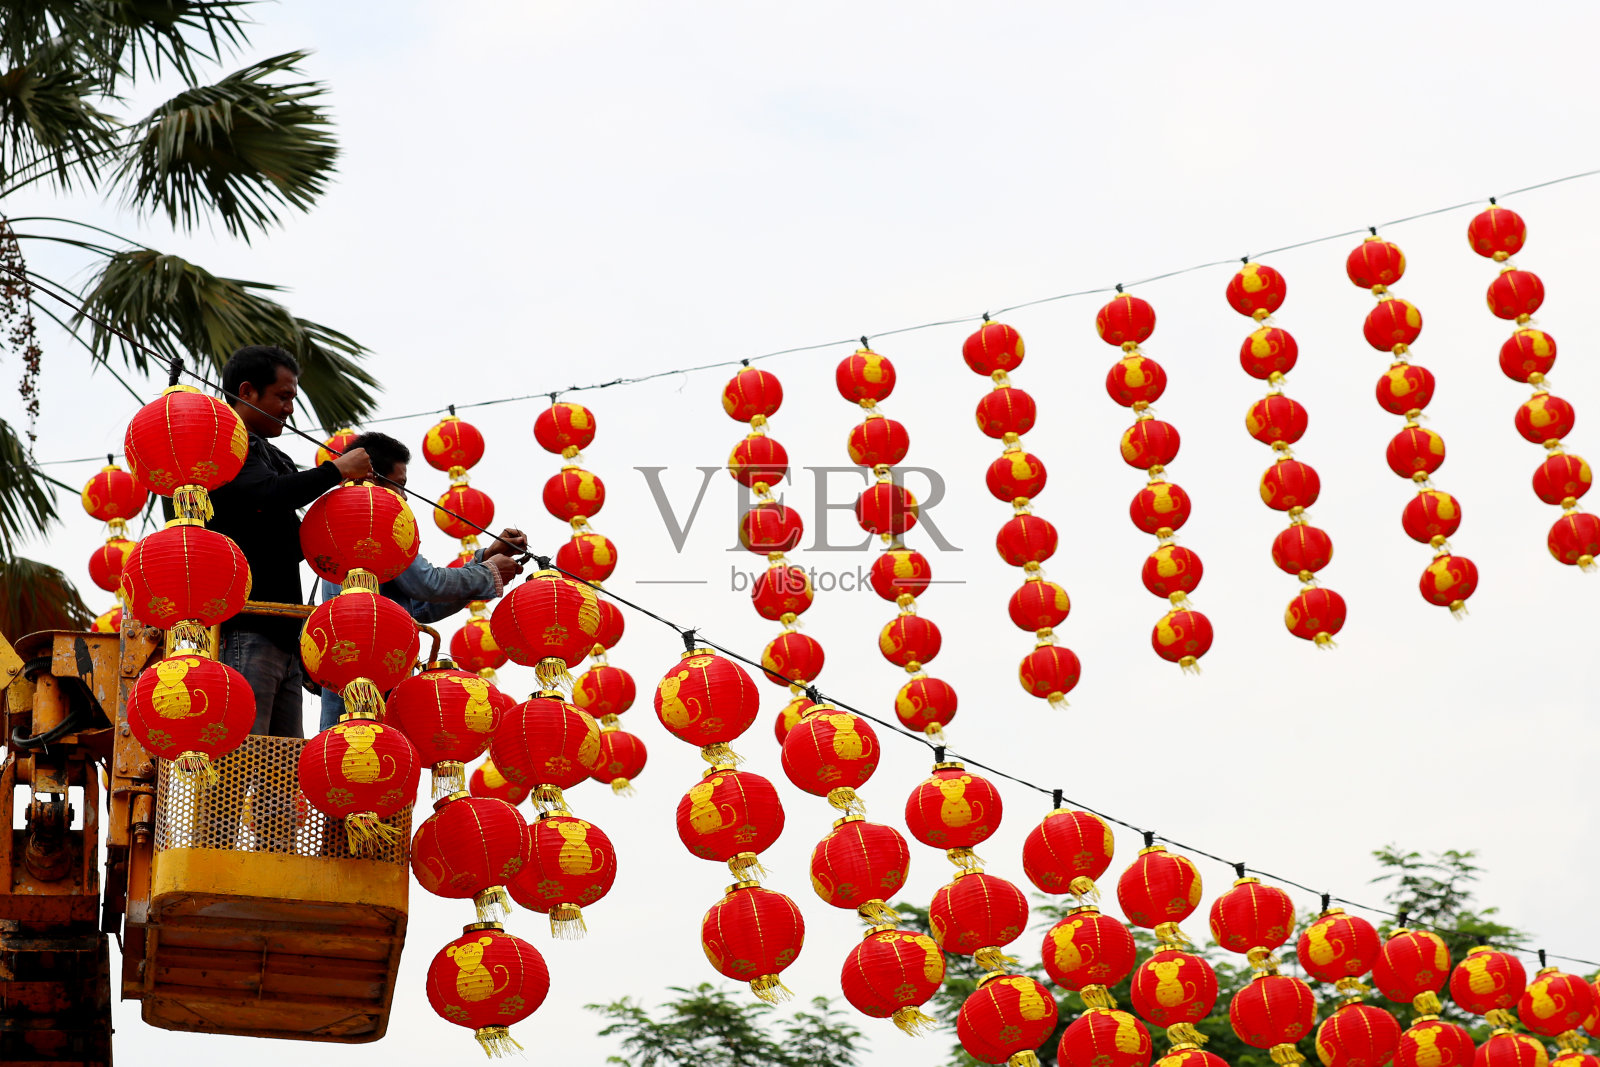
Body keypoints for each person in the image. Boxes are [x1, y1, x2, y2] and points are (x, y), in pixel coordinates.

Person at [208, 345, 372, 739]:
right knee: (239, 758)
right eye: (283, 397)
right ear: (246, 392)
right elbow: (266, 493)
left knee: (281, 770)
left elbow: (293, 536)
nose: (289, 409)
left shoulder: (273, 454)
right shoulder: (224, 444)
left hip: (283, 630)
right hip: (243, 627)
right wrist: (335, 469)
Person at [316, 431, 526, 730]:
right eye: (400, 485)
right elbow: (428, 585)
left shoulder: (338, 524)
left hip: (351, 667)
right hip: (375, 667)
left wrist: (486, 560)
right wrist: (487, 571)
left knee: (345, 754)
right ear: (372, 477)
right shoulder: (378, 523)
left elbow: (419, 608)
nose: (402, 497)